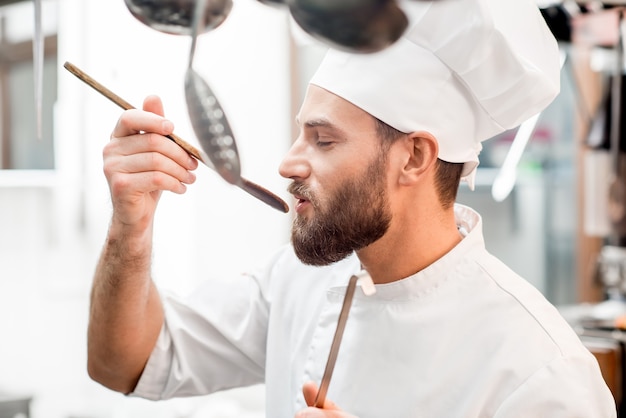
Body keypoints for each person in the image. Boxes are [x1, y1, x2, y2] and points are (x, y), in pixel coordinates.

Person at [87, 0, 617, 416]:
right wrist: (129, 227)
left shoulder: (541, 370)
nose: (287, 164)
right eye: (301, 133)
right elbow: (124, 363)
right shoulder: (299, 281)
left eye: (323, 140)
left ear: (414, 157)